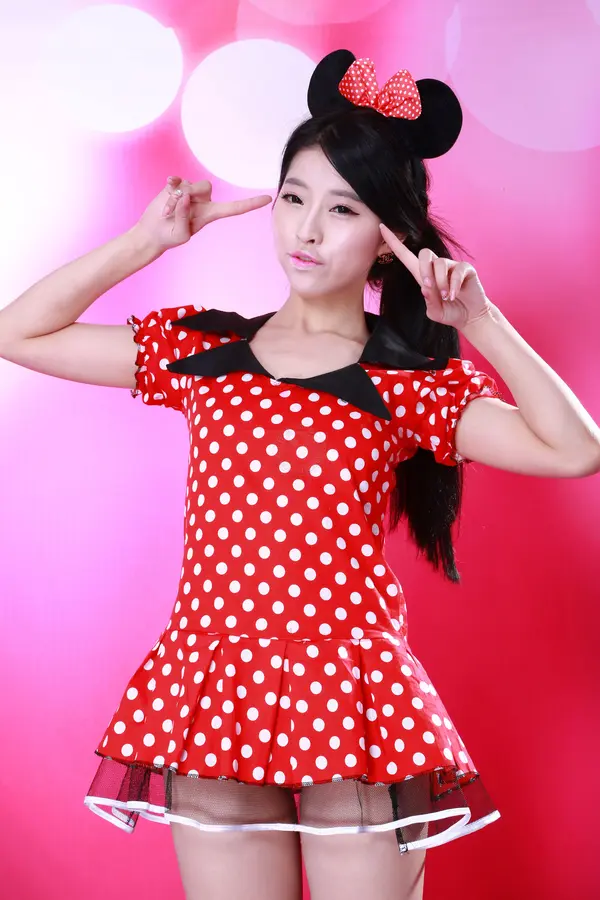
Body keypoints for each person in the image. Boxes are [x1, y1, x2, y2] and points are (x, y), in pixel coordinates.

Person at [1, 48, 599, 900]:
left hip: (353, 702)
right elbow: (18, 333)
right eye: (294, 197)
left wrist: (481, 321)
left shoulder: (404, 382)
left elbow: (577, 449)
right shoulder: (206, 350)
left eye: (342, 208)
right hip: (219, 692)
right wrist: (146, 241)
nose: (307, 229)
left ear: (390, 242)